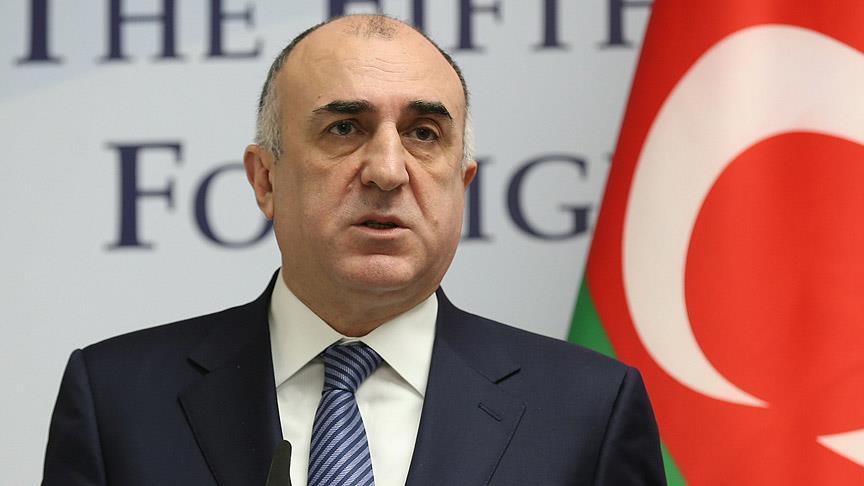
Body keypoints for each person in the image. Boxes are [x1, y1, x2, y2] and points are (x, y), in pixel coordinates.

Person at [42, 14, 666, 486]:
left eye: (424, 134)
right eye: (345, 128)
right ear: (265, 180)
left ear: (462, 184)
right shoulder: (116, 402)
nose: (388, 170)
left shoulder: (588, 412)